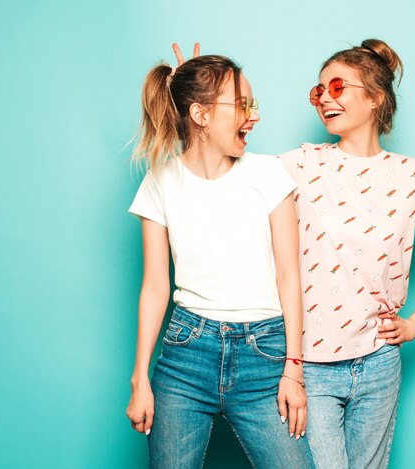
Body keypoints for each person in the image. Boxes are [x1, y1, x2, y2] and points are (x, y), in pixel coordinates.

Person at [277, 38, 415, 468]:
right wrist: (192, 101)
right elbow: (220, 170)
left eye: (336, 86)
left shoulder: (413, 174)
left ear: (374, 98)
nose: (325, 99)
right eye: (318, 91)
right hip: (309, 365)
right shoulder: (299, 164)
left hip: (378, 363)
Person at [125, 53, 313, 468]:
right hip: (186, 358)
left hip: (263, 356)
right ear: (201, 114)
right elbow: (155, 286)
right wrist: (141, 379)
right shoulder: (160, 182)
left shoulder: (268, 175)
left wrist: (293, 370)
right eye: (243, 105)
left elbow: (288, 276)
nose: (254, 116)